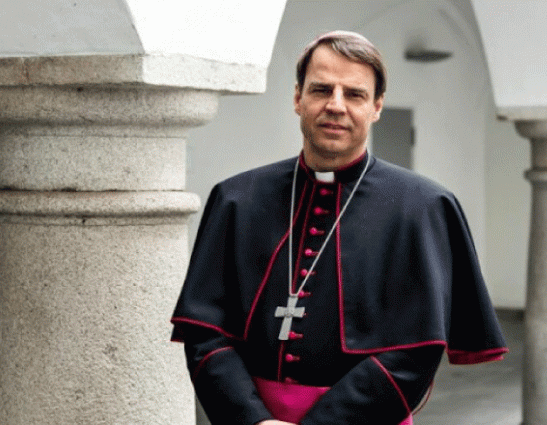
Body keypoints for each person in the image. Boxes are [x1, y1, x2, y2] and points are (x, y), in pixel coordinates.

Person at [170, 30, 508, 425]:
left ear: (377, 106)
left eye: (354, 94)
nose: (335, 105)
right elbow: (205, 333)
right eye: (321, 89)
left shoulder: (423, 208)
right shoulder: (236, 200)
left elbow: (415, 352)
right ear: (297, 98)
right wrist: (253, 419)